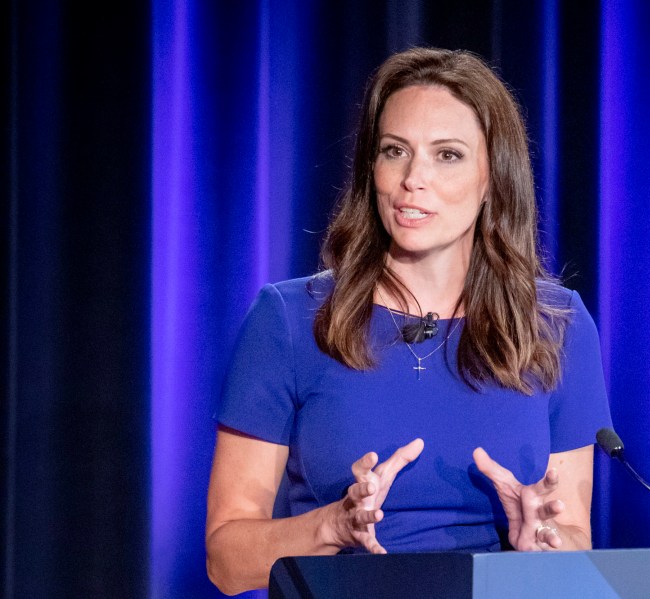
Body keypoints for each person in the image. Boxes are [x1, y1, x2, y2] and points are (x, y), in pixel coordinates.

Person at [205, 47, 612, 595]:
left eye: (448, 155)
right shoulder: (289, 320)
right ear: (371, 167)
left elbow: (575, 543)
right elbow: (226, 560)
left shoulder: (556, 326)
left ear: (493, 177)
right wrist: (330, 527)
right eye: (395, 151)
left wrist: (542, 546)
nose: (413, 178)